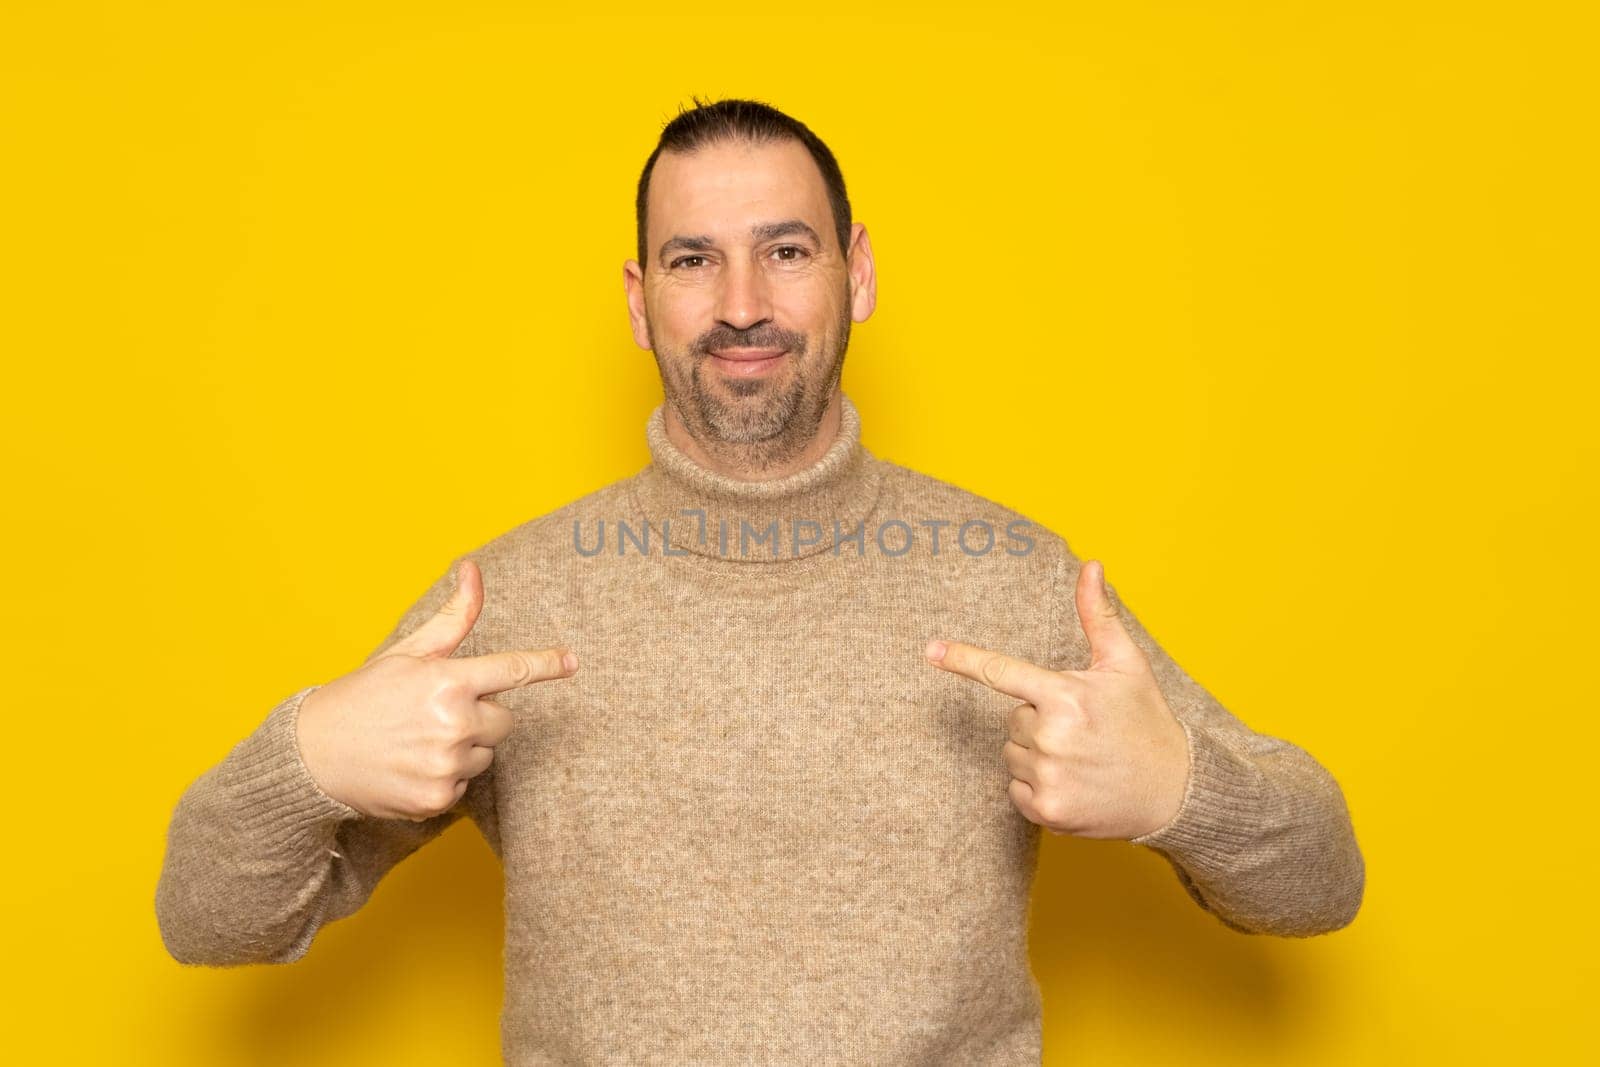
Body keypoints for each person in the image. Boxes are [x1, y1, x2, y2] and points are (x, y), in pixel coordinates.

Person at [156, 96, 1365, 1065]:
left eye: (785, 252)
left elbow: (1320, 885)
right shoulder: (506, 602)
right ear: (640, 302)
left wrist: (1180, 792)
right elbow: (208, 922)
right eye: (693, 259)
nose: (743, 307)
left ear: (859, 274)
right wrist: (304, 752)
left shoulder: (1014, 579)